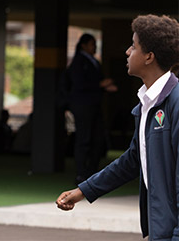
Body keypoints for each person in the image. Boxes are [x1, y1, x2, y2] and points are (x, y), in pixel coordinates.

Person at [57, 15, 179, 241]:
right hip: (160, 230)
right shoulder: (146, 105)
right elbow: (132, 161)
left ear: (149, 57)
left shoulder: (175, 103)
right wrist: (83, 191)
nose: (127, 52)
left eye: (133, 46)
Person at [67, 33, 118, 183]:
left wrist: (104, 87)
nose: (94, 47)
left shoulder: (94, 61)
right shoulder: (78, 62)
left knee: (97, 138)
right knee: (84, 139)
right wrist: (100, 85)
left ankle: (92, 171)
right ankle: (81, 173)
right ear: (83, 45)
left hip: (94, 104)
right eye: (91, 44)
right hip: (83, 106)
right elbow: (79, 84)